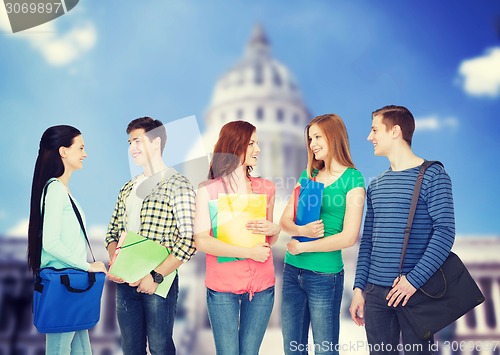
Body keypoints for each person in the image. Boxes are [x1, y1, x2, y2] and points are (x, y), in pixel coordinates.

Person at [349, 105, 455, 355]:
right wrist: (358, 289)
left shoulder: (434, 176)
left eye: (375, 130)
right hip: (375, 295)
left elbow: (445, 232)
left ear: (395, 131)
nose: (369, 137)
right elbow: (368, 243)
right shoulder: (375, 185)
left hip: (415, 293)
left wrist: (413, 281)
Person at [105, 117, 196, 355]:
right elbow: (112, 232)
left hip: (158, 282)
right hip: (125, 284)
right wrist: (117, 264)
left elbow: (188, 241)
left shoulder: (178, 184)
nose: (131, 148)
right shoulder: (127, 188)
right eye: (129, 142)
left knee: (160, 347)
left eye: (138, 141)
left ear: (156, 143)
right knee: (130, 348)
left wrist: (154, 276)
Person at [280, 114, 366, 355]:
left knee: (325, 350)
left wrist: (304, 246)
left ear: (334, 136)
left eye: (318, 137)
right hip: (292, 272)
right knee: (293, 349)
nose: (312, 144)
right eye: (310, 139)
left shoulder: (354, 179)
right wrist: (301, 231)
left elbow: (349, 237)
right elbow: (285, 220)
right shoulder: (308, 176)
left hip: (325, 276)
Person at [194, 120, 281, 355]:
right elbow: (201, 240)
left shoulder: (266, 188)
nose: (258, 149)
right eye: (252, 143)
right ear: (235, 145)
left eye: (258, 143)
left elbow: (268, 239)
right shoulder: (208, 190)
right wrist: (247, 253)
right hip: (223, 286)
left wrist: (275, 230)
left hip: (262, 285)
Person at [27, 125, 107, 355]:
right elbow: (50, 243)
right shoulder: (55, 190)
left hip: (71, 286)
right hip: (65, 284)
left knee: (82, 351)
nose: (85, 153)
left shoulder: (62, 189)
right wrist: (87, 266)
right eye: (80, 148)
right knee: (60, 349)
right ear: (63, 151)